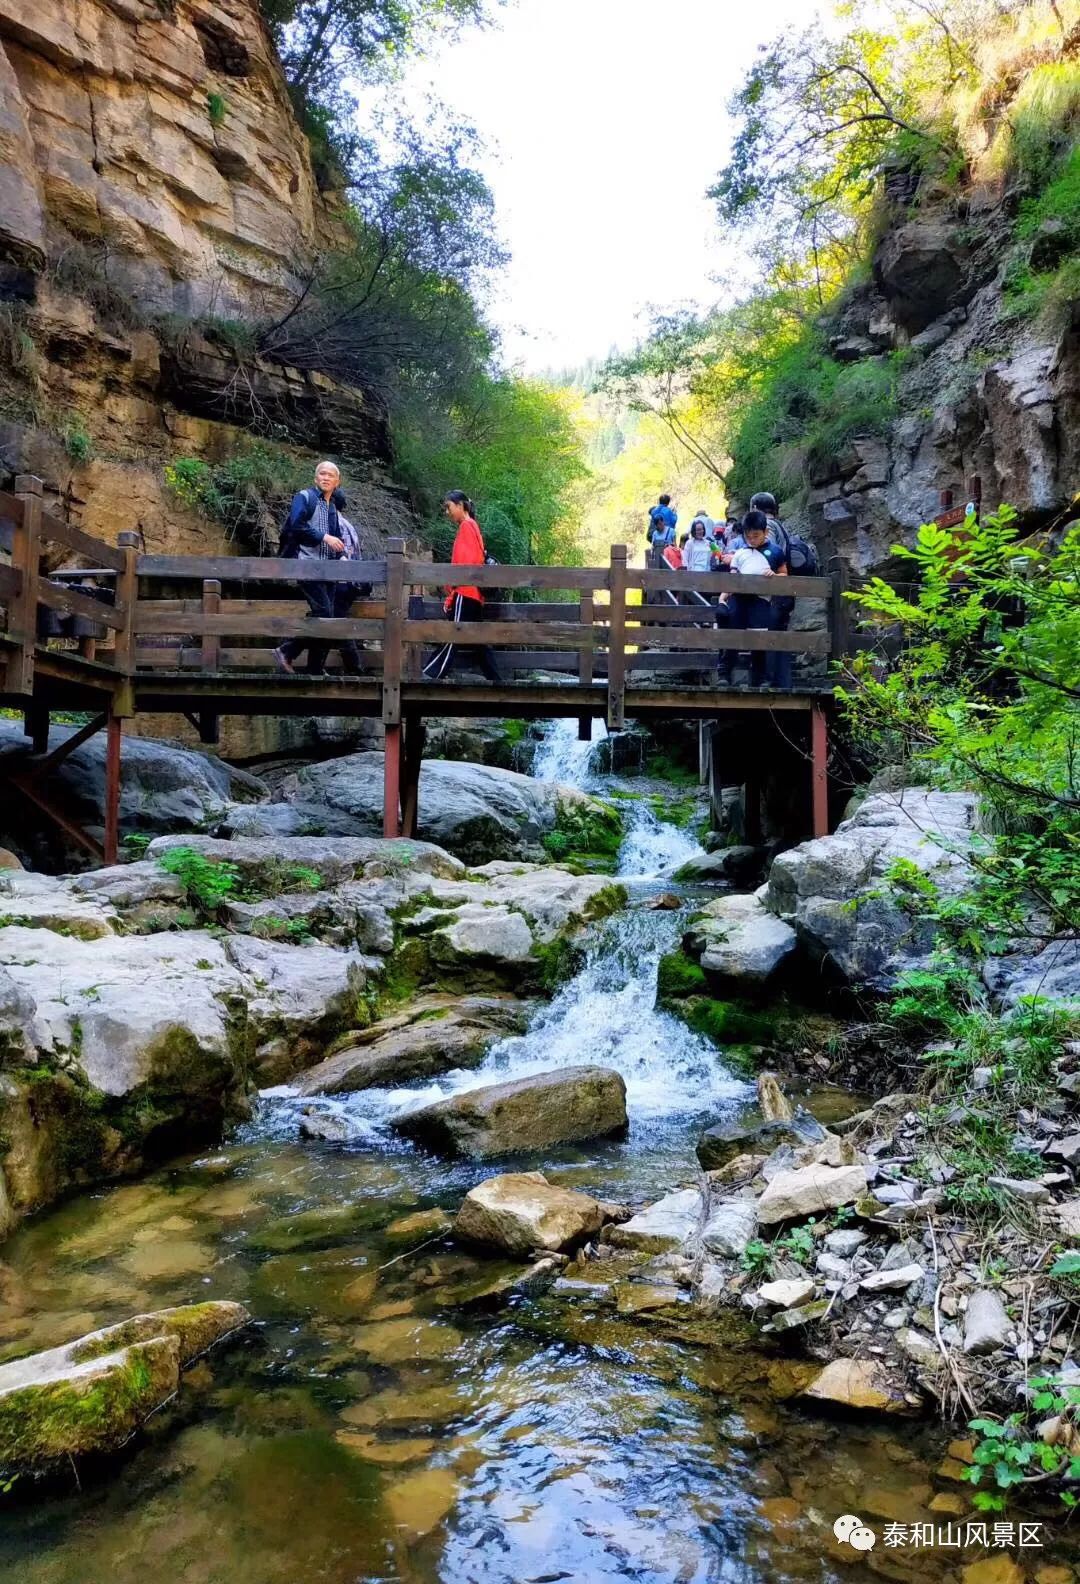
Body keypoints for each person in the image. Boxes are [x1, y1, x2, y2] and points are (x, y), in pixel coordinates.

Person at [274, 461, 370, 676]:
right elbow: (295, 526)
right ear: (316, 478)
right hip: (307, 566)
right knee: (325, 614)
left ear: (338, 481)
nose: (326, 478)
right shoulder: (304, 498)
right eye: (322, 474)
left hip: (330, 571)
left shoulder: (333, 509)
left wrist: (342, 557)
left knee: (327, 617)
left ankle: (315, 669)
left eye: (330, 475)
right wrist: (323, 537)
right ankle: (286, 651)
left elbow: (336, 541)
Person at [422, 491, 501, 682]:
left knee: (453, 635)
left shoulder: (467, 526)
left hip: (466, 592)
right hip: (474, 595)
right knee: (477, 639)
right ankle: (498, 681)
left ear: (460, 505)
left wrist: (452, 593)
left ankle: (429, 675)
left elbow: (464, 565)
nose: (447, 512)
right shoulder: (473, 527)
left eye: (448, 507)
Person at [718, 509, 787, 685]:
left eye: (756, 535)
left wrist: (774, 576)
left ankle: (760, 678)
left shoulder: (776, 551)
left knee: (760, 636)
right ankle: (724, 674)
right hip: (739, 599)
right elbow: (732, 575)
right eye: (748, 536)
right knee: (732, 632)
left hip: (761, 600)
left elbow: (785, 575)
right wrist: (723, 597)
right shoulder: (741, 552)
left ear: (766, 532)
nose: (752, 539)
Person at [749, 490, 796, 688]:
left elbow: (771, 558)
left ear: (755, 508)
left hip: (772, 593)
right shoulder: (781, 526)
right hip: (784, 592)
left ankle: (769, 681)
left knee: (768, 635)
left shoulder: (767, 527)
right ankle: (780, 682)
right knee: (778, 636)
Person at [646, 494, 678, 567]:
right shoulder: (669, 511)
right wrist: (675, 514)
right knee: (667, 556)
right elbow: (673, 521)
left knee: (656, 552)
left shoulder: (654, 510)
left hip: (656, 535)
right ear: (668, 502)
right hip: (667, 536)